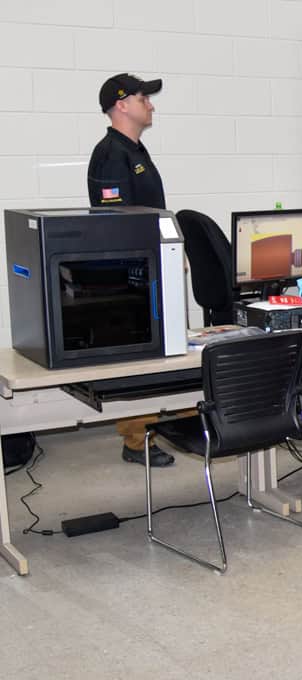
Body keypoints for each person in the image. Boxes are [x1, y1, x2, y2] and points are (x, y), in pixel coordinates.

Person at [87, 73, 174, 467]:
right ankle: (136, 440)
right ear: (121, 104)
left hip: (155, 263)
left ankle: (153, 428)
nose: (150, 104)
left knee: (159, 353)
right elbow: (116, 221)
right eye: (143, 97)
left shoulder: (135, 150)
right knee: (140, 355)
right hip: (134, 271)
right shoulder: (111, 154)